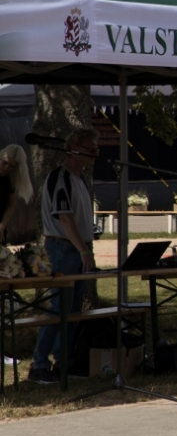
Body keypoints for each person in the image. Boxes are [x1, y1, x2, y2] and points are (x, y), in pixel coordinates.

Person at [28, 129, 97, 385]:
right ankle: (39, 364)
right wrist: (83, 249)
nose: (95, 154)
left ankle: (63, 361)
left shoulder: (80, 179)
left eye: (96, 149)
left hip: (77, 247)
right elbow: (65, 218)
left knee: (74, 310)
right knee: (60, 308)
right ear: (73, 149)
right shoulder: (61, 177)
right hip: (63, 248)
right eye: (90, 149)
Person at [0, 143, 32, 244]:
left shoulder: (11, 182)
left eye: (11, 166)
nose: (6, 168)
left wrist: (2, 226)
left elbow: (11, 205)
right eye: (4, 163)